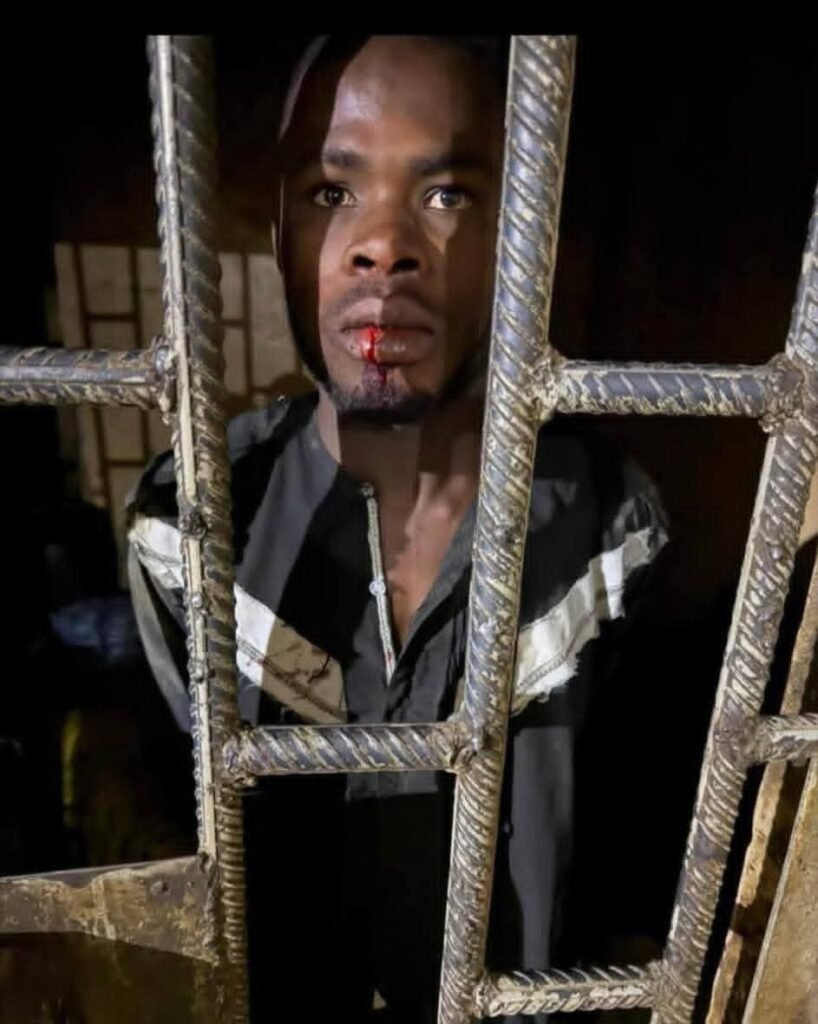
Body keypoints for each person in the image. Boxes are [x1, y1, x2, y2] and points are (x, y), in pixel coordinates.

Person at [127, 35, 668, 1023]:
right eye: (332, 192)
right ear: (281, 231)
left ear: (519, 240)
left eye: (447, 193)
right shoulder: (188, 523)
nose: (382, 243)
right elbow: (178, 860)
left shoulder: (610, 525)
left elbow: (632, 857)